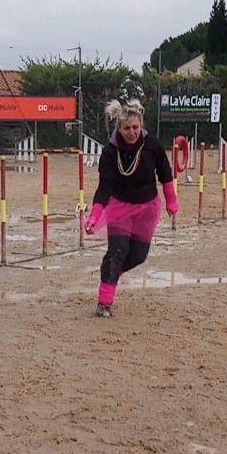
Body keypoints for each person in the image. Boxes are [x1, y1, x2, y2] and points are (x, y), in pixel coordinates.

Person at [84, 98, 179, 318]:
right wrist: (94, 216)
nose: (132, 132)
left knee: (138, 255)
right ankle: (104, 302)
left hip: (147, 208)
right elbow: (104, 188)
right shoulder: (109, 153)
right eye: (126, 128)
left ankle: (110, 272)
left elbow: (165, 175)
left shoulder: (153, 146)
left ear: (141, 125)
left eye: (135, 127)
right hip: (119, 207)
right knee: (117, 251)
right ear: (119, 127)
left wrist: (172, 201)